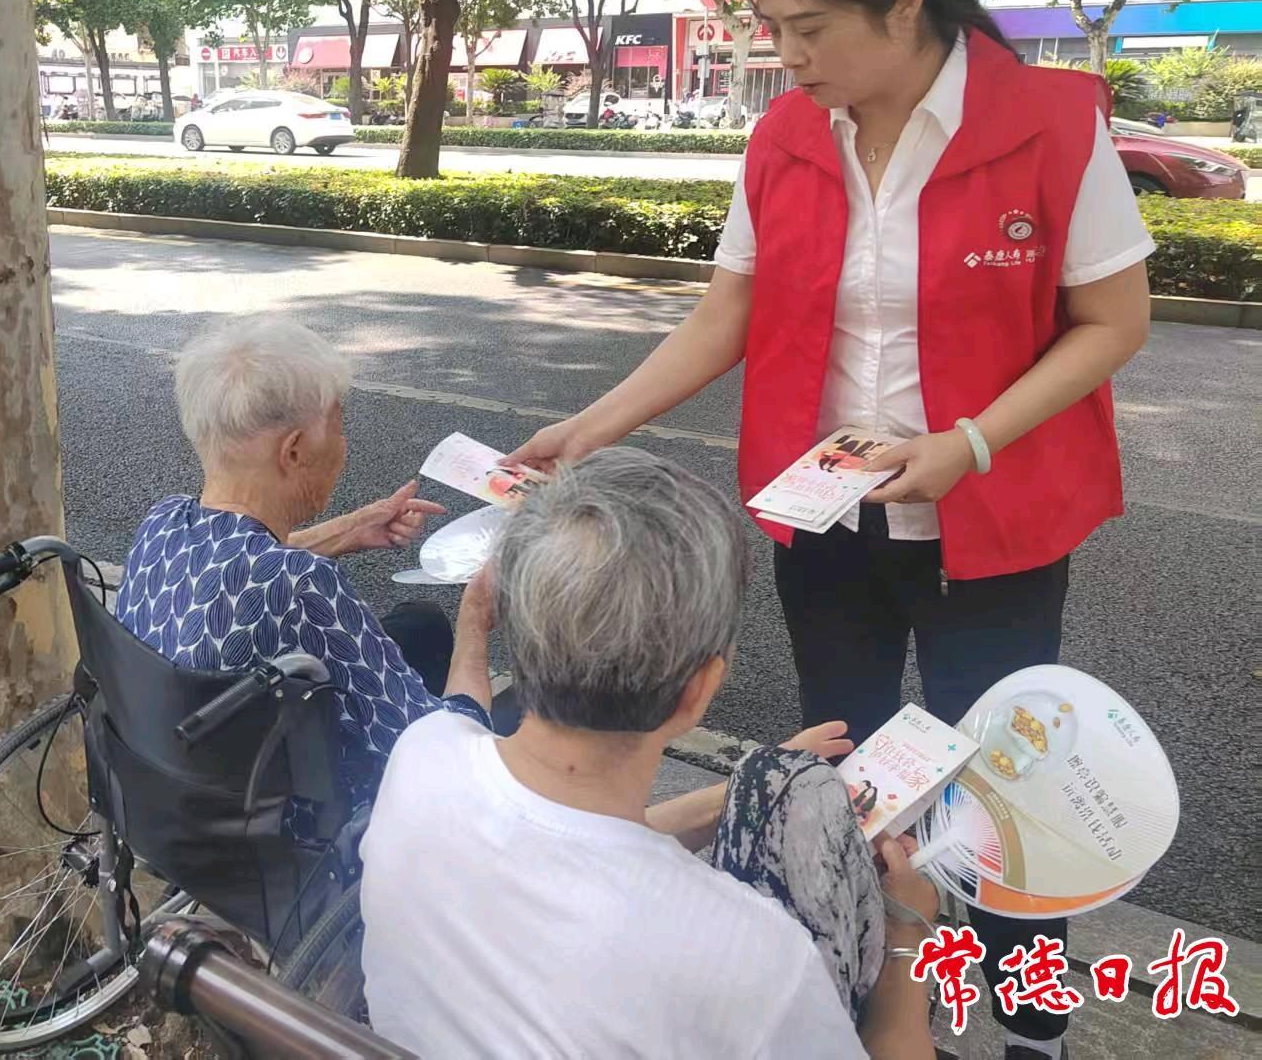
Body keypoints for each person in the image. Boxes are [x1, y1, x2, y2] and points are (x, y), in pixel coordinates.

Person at [511, 0, 1152, 1060]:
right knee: (845, 776)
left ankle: (1029, 1028)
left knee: (1002, 790)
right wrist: (588, 426)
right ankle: (866, 999)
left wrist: (966, 443)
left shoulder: (1051, 125)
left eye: (807, 28)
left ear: (902, 3)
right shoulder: (784, 137)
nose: (786, 57)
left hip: (990, 520)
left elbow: (1113, 323)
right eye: (773, 29)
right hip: (829, 522)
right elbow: (725, 315)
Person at [361, 449, 939, 1060]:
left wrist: (748, 790)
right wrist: (908, 941)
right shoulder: (756, 960)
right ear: (697, 692)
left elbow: (558, 833)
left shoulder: (421, 755)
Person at [117, 317, 493, 838]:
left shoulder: (164, 522)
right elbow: (446, 761)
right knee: (504, 710)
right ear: (293, 450)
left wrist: (348, 529)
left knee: (421, 626)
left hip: (175, 799)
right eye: (338, 424)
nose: (344, 443)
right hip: (299, 839)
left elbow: (240, 563)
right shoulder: (301, 584)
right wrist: (476, 617)